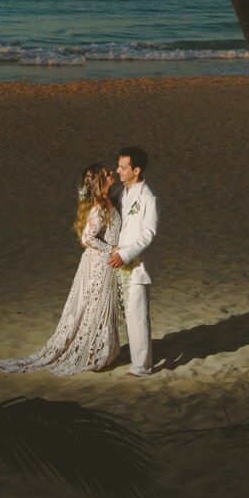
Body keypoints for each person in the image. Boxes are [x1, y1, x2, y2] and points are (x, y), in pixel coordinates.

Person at [0, 163, 120, 374]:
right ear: (100, 181)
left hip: (101, 263)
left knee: (96, 307)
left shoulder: (108, 200)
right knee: (93, 307)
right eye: (106, 173)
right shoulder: (99, 206)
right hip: (98, 265)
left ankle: (98, 349)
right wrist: (111, 249)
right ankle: (94, 352)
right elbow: (87, 238)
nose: (111, 173)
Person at [108, 145, 158, 376]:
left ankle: (142, 365)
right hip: (117, 263)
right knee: (124, 313)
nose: (118, 170)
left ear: (135, 170)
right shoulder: (120, 193)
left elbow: (149, 233)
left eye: (123, 167)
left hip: (136, 265)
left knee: (137, 314)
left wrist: (125, 254)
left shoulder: (148, 197)